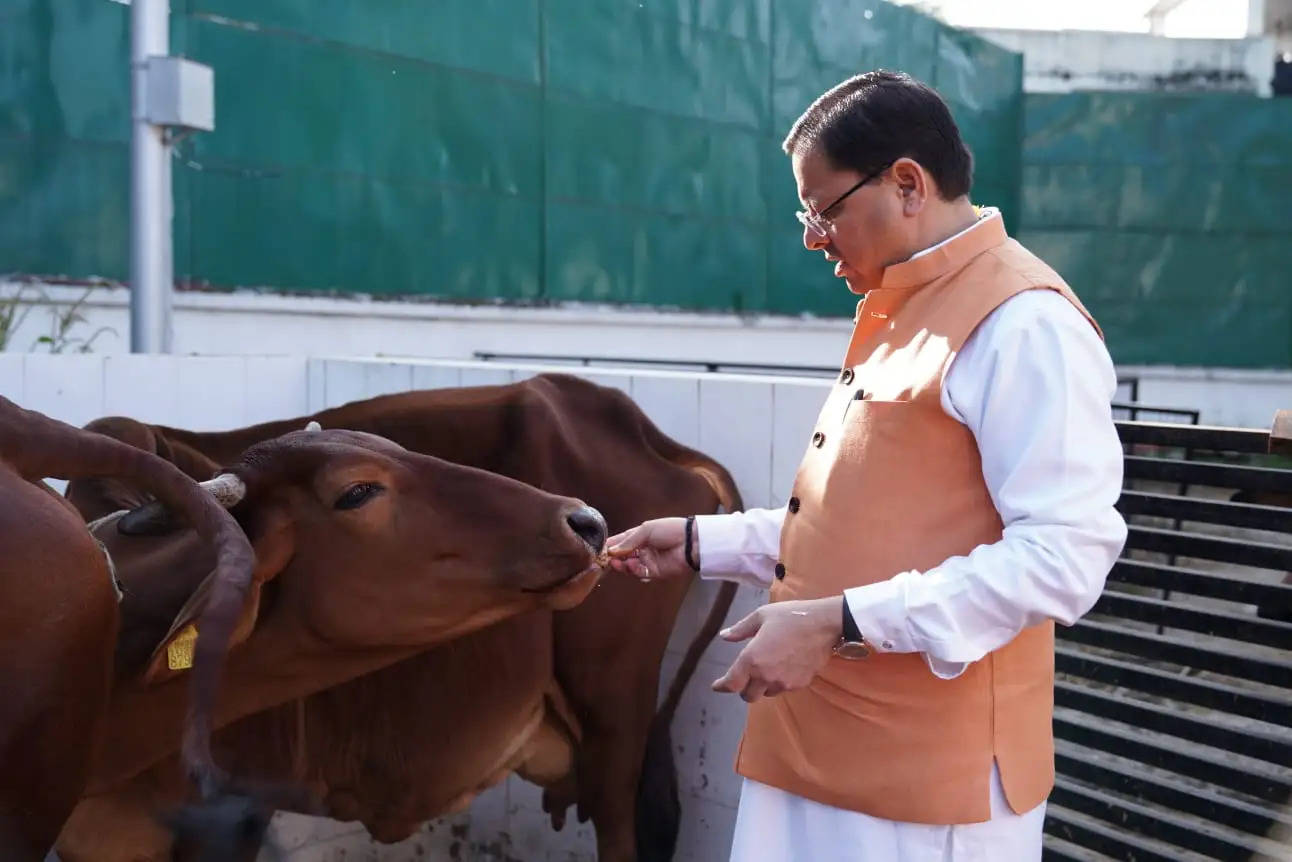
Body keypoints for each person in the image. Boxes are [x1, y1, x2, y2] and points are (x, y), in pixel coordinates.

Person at [604, 70, 1127, 861]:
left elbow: (1065, 557)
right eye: (806, 214)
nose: (814, 238)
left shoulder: (1025, 325)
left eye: (824, 211)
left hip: (924, 796)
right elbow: (860, 528)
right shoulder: (903, 312)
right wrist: (699, 541)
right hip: (816, 753)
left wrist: (838, 623)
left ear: (908, 184)